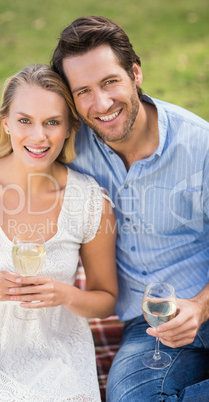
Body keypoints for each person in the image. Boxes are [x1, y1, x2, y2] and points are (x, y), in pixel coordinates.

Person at [51, 16, 209, 401]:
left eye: (109, 82)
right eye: (83, 91)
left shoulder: (199, 144)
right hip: (150, 325)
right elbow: (17, 152)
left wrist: (201, 307)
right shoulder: (71, 150)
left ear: (135, 74)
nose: (101, 104)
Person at [0, 64, 118, 401]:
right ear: (5, 122)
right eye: (25, 120)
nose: (39, 136)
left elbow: (105, 298)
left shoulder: (90, 201)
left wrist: (65, 295)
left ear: (68, 128)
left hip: (52, 351)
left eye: (52, 122)